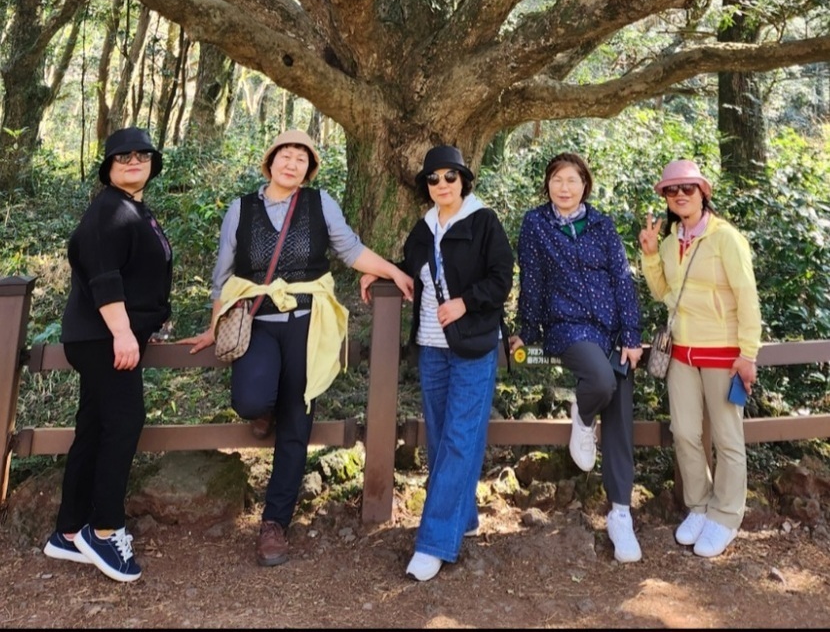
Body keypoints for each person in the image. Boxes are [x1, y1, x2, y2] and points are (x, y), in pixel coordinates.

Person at [186, 128, 413, 568]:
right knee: (250, 399)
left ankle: (275, 523)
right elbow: (222, 275)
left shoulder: (319, 204)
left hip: (309, 324)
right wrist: (215, 326)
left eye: (301, 158)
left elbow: (350, 250)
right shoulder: (241, 209)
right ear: (270, 161)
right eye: (285, 156)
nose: (292, 164)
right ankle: (263, 410)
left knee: (297, 422)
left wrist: (393, 271)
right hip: (257, 321)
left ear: (309, 169)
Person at [361, 143, 514, 583]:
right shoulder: (424, 228)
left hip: (474, 345)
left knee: (461, 438)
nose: (442, 184)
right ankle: (462, 517)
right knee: (444, 435)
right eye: (433, 178)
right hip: (431, 346)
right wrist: (381, 272)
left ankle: (433, 542)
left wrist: (466, 301)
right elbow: (411, 268)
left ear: (463, 180)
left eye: (450, 176)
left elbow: (502, 277)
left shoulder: (484, 222)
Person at [43, 126, 172, 583]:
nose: (134, 161)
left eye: (142, 154)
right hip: (103, 337)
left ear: (153, 162)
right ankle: (104, 529)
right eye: (123, 156)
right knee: (124, 423)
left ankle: (68, 531)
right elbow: (104, 276)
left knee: (96, 426)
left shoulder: (133, 208)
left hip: (107, 336)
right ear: (108, 167)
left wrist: (142, 327)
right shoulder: (109, 210)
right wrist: (122, 332)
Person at [513, 151, 643, 563]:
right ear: (548, 185)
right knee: (600, 381)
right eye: (557, 180)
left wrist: (631, 334)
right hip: (567, 326)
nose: (564, 188)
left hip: (611, 329)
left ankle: (620, 513)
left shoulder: (602, 224)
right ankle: (583, 417)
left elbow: (621, 280)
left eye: (572, 180)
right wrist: (526, 330)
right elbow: (532, 280)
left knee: (620, 417)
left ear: (585, 184)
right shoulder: (537, 224)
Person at [638, 158, 761, 559]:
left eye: (687, 188)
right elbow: (664, 293)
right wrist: (651, 255)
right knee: (685, 433)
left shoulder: (726, 238)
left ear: (703, 192)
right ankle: (699, 505)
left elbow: (747, 297)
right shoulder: (670, 243)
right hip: (681, 353)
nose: (679, 195)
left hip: (723, 353)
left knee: (727, 438)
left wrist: (748, 353)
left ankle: (726, 515)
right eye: (671, 190)